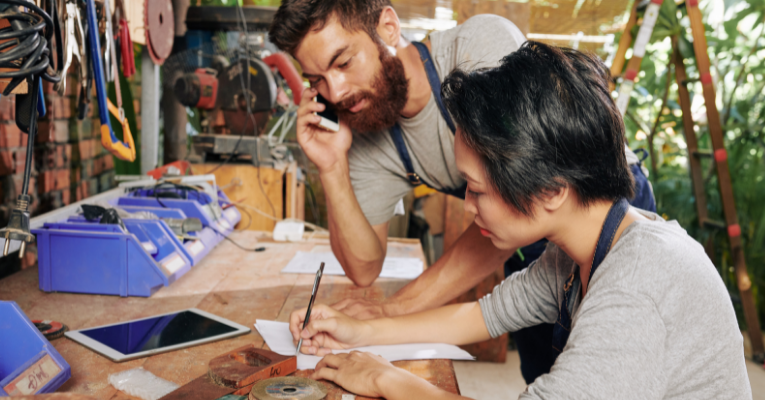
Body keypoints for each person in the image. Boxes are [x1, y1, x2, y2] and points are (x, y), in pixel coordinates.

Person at [287, 42, 752, 399]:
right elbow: (481, 315)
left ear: (551, 190)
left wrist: (390, 380)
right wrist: (358, 333)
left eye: (477, 190)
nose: (467, 206)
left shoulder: (637, 285)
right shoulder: (574, 255)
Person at [269, 0, 656, 384]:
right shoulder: (368, 128)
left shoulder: (479, 49)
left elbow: (521, 199)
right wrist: (332, 167)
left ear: (388, 27)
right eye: (316, 79)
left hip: (600, 208)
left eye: (343, 62)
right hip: (528, 239)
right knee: (546, 373)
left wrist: (393, 317)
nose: (334, 92)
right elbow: (368, 269)